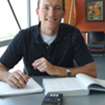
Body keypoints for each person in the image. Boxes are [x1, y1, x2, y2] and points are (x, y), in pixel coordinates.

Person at [0, 0, 97, 88]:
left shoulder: (73, 34)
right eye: (46, 8)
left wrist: (56, 70)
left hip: (66, 89)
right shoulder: (24, 37)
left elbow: (92, 71)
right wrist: (7, 76)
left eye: (57, 8)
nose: (51, 13)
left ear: (64, 13)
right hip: (31, 91)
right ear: (38, 12)